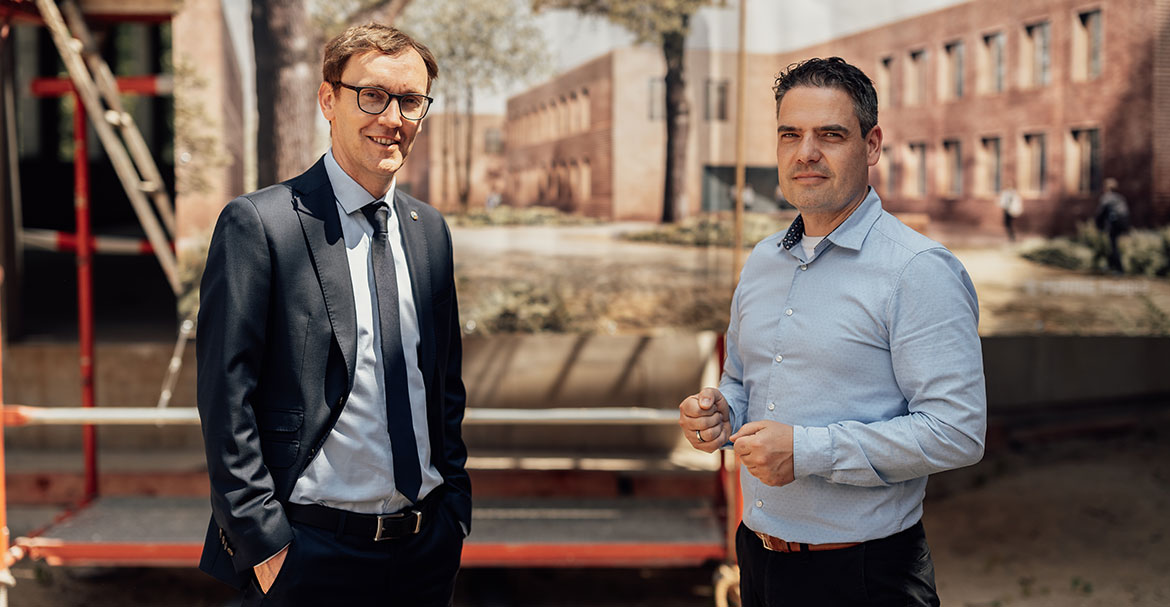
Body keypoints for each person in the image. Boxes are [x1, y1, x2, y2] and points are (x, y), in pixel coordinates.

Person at [678, 57, 986, 607]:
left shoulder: (917, 270)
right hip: (758, 555)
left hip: (864, 574)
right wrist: (721, 413)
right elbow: (742, 382)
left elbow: (957, 431)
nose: (806, 153)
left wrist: (808, 451)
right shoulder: (762, 260)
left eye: (830, 135)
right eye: (790, 134)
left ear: (872, 145)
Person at [196, 23, 470, 606]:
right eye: (372, 95)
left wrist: (455, 511)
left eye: (411, 101)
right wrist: (263, 542)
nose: (392, 118)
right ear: (328, 100)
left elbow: (444, 385)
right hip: (307, 552)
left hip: (424, 552)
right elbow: (226, 396)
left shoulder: (429, 232)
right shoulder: (260, 224)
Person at [1095, 177, 1130, 273]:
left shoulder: (1106, 198)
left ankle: (1119, 269)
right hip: (1122, 223)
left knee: (1113, 246)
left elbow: (1100, 214)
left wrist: (1099, 226)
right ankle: (1111, 265)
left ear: (1105, 188)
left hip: (1114, 223)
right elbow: (1125, 212)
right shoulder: (1120, 197)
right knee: (1113, 245)